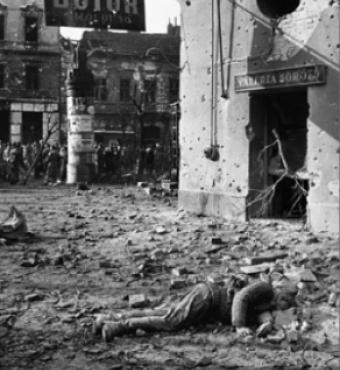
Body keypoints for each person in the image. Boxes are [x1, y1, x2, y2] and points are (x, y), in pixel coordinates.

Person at [93, 275, 297, 342]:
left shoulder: (267, 304)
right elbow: (241, 298)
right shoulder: (264, 287)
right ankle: (118, 327)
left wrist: (268, 327)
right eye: (285, 299)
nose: (284, 304)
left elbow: (264, 318)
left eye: (287, 305)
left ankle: (107, 319)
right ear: (280, 291)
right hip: (207, 297)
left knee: (164, 313)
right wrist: (239, 325)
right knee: (171, 322)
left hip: (206, 305)